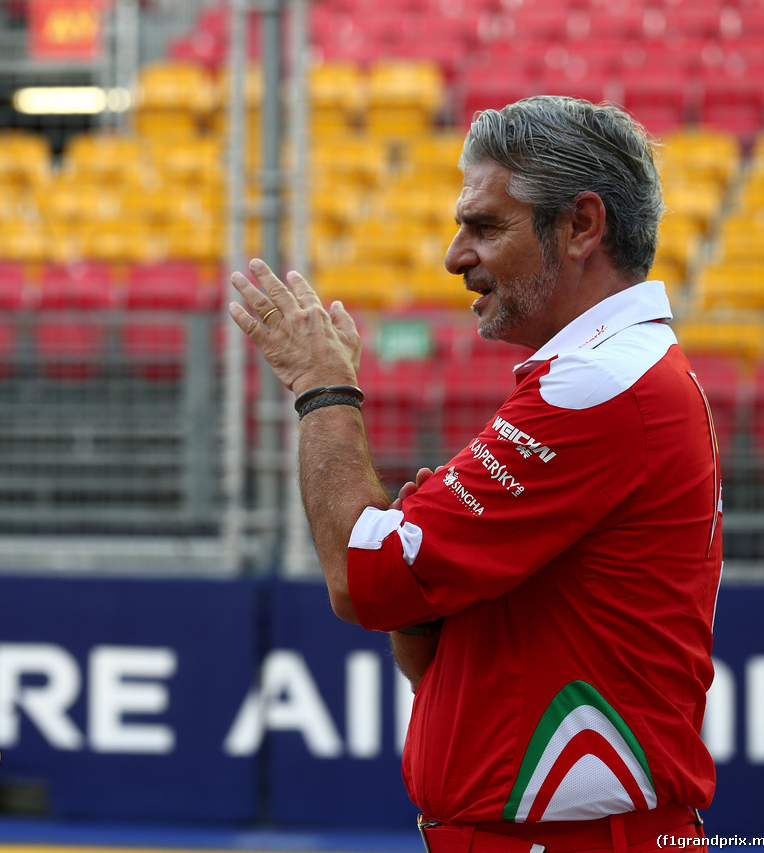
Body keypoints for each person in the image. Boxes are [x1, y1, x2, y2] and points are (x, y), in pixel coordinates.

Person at [229, 96, 721, 852]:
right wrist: (414, 581)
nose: (454, 256)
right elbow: (426, 639)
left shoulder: (600, 384)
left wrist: (321, 389)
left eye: (485, 226)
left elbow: (365, 576)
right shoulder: (616, 374)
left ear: (582, 226)